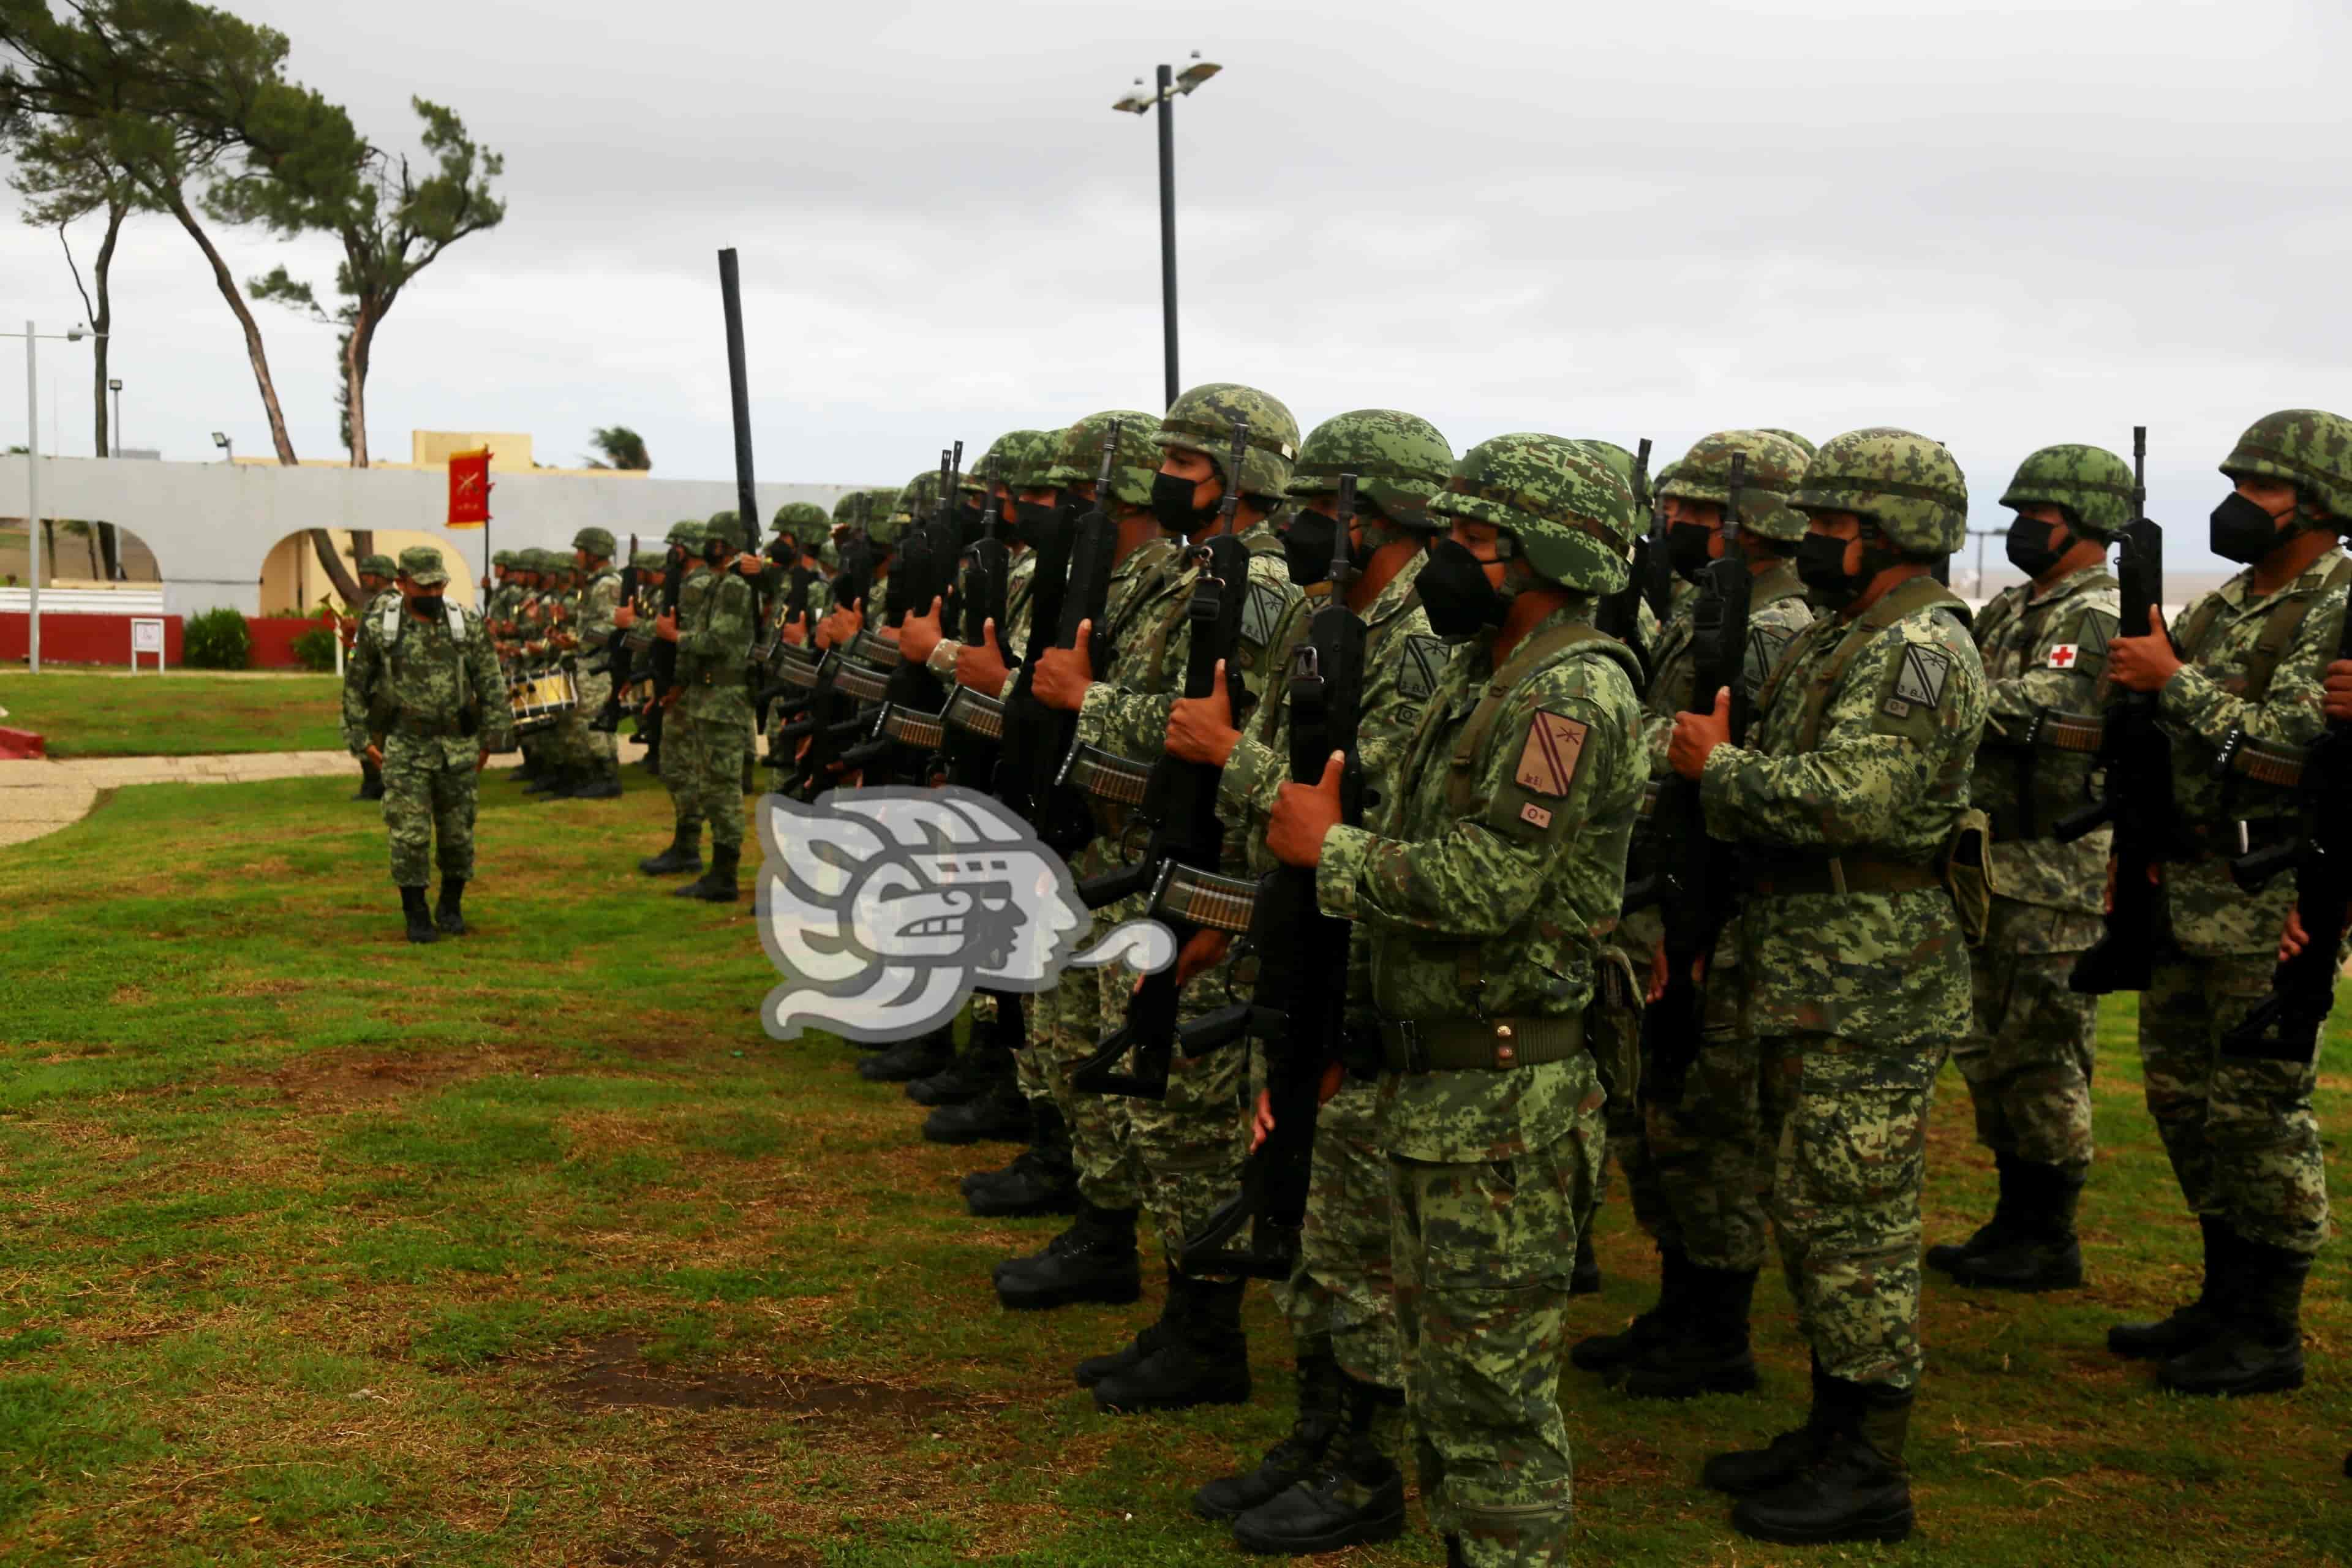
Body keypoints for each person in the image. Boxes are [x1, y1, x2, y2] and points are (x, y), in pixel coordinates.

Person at [1265, 432, 1643, 1567]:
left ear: (1544, 555)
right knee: (1443, 1382)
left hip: (1505, 1106)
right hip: (1444, 1086)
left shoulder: (1568, 693)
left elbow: (1491, 881)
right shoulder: (1494, 675)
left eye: (1477, 542)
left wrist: (1332, 855)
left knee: (1491, 1406)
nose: (1449, 560)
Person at [1669, 427, 1985, 1545]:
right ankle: (1829, 1425)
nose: (1814, 547)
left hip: (1875, 973)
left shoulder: (1921, 651)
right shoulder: (1848, 634)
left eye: (1836, 531)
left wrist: (1722, 771)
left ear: (1898, 537)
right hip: (1813, 959)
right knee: (1810, 1206)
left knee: (1855, 1214)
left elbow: (1859, 799)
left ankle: (1868, 1466)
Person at [1177, 408, 1453, 1555]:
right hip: (1314, 926)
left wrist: (1224, 756)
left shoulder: (1422, 635)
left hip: (1370, 939)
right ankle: (1319, 1428)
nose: (1291, 524)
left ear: (1372, 513)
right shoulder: (1336, 613)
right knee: (1309, 1193)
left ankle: (1365, 1461)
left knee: (1357, 1222)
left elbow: (1367, 795)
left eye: (1317, 505)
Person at [1033, 383, 1302, 1414]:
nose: (1164, 482)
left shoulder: (1261, 590)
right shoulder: (1190, 569)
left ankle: (1208, 1333)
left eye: (1186, 467)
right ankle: (1182, 1314)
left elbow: (1220, 736)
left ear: (1244, 480)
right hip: (1149, 859)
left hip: (1209, 884)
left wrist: (1087, 700)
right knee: (1152, 1112)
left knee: (1188, 1119)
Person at [2097, 408, 2350, 1398]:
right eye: (2235, 482)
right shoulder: (2230, 601)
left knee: (2259, 1112)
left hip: (2270, 888)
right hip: (2184, 881)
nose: (2236, 503)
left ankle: (2270, 1329)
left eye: (2260, 488)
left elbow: (2291, 752)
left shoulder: (2338, 604)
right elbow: (2153, 719)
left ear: (2319, 505)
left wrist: (2173, 682)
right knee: (2180, 1099)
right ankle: (2222, 1294)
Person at [1572, 429, 1817, 1401]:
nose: (1672, 524)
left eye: (1696, 512)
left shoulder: (1773, 624)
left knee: (1709, 1122)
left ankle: (1717, 1328)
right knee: (1660, 1114)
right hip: (1665, 890)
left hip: (1712, 904)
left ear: (1753, 524)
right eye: (1670, 506)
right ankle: (1683, 1305)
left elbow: (1723, 765)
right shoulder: (1714, 608)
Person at [1929, 445, 2124, 1291]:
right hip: (1995, 860)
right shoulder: (2016, 605)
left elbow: (2059, 707)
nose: (2020, 529)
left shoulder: (2098, 612)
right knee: (1994, 1048)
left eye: (2036, 514)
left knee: (2045, 1048)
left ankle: (2050, 1235)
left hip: (2055, 869)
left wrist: (1949, 700)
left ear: (2079, 521)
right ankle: (2015, 1221)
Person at [341, 546, 512, 944]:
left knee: (458, 834)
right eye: (424, 585)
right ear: (402, 584)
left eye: (439, 584)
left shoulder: (465, 623)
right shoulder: (381, 627)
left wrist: (492, 740)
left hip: (458, 745)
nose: (433, 593)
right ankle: (415, 912)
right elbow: (356, 684)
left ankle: (451, 905)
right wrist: (362, 740)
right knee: (409, 835)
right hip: (405, 746)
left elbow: (491, 683)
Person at [666, 518, 758, 902]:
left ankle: (725, 875)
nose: (708, 545)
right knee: (710, 787)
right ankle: (718, 872)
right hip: (710, 698)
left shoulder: (735, 586)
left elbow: (719, 639)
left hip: (725, 699)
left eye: (715, 541)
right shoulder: (722, 583)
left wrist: (675, 638)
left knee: (722, 790)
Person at [638, 522, 712, 878]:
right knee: (676, 768)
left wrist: (677, 685)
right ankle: (685, 844)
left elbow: (687, 639)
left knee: (682, 770)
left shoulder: (697, 587)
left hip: (688, 692)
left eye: (678, 545)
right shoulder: (688, 584)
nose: (673, 551)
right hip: (680, 688)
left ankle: (688, 848)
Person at [549, 527, 625, 800]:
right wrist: (571, 640)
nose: (577, 556)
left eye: (580, 550)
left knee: (593, 722)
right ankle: (591, 777)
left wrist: (578, 643)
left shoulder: (607, 585)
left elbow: (609, 627)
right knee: (586, 722)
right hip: (590, 661)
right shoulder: (596, 583)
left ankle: (607, 779)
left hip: (599, 664)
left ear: (594, 553)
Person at [341, 552, 401, 801]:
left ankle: (376, 784)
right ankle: (373, 783)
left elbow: (376, 644)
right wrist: (352, 640)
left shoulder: (387, 603)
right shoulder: (382, 602)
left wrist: (355, 639)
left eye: (368, 574)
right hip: (375, 676)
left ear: (380, 576)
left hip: (377, 680)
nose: (364, 578)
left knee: (364, 730)